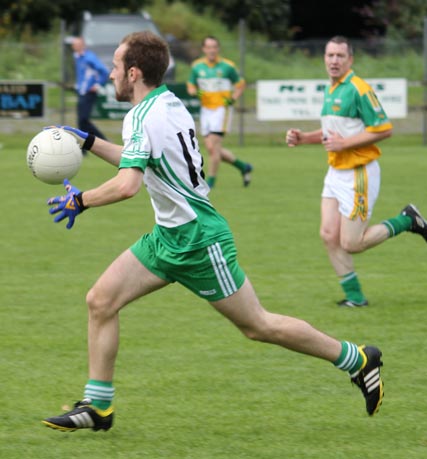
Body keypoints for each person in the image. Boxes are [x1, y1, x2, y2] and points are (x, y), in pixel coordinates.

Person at [42, 31, 384, 433]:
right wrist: (89, 142)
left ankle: (357, 358)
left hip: (199, 241)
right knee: (100, 300)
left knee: (258, 325)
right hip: (168, 237)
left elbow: (128, 184)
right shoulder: (166, 103)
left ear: (133, 73)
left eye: (116, 67)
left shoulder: (143, 115)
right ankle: (99, 407)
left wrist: (79, 201)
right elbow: (138, 159)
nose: (112, 74)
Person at [286, 36, 427, 308]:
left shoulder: (358, 88)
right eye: (330, 55)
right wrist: (304, 137)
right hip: (335, 172)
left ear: (350, 60)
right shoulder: (331, 89)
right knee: (329, 235)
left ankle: (407, 220)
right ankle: (355, 298)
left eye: (340, 56)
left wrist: (343, 144)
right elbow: (334, 132)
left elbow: (383, 129)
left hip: (358, 174)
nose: (334, 60)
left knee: (352, 242)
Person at [187, 36, 252, 188]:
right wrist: (195, 92)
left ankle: (210, 182)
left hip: (221, 110)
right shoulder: (197, 67)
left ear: (218, 49)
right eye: (209, 47)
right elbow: (190, 86)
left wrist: (232, 98)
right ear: (204, 49)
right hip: (206, 110)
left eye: (214, 47)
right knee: (212, 148)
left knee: (213, 148)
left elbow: (241, 85)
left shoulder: (227, 66)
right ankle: (243, 167)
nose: (212, 50)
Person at [71, 37, 109, 149]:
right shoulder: (78, 57)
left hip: (88, 92)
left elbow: (104, 71)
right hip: (81, 91)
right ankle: (84, 147)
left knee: (84, 120)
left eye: (77, 44)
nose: (74, 47)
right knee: (81, 121)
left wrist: (96, 85)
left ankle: (103, 141)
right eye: (73, 45)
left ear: (83, 45)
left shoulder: (89, 57)